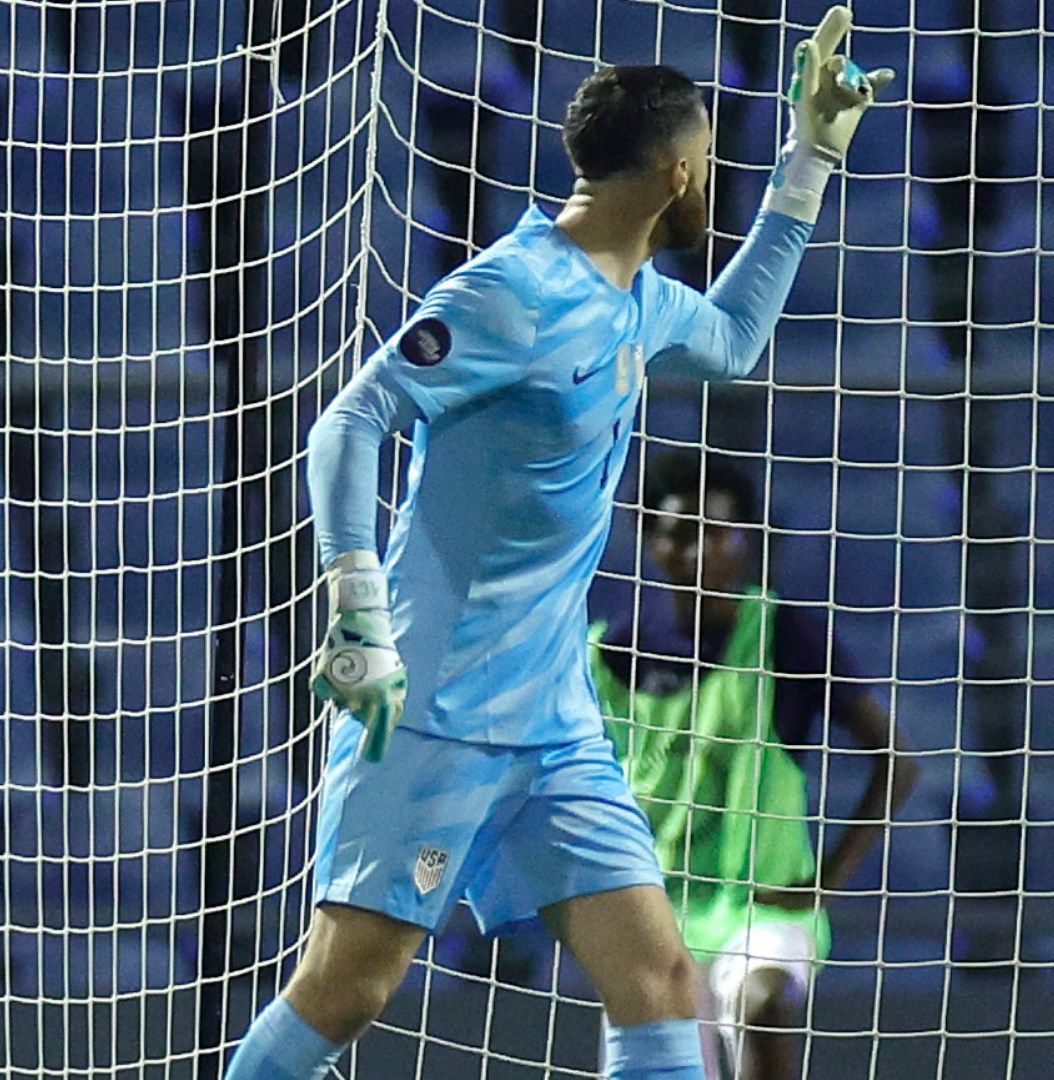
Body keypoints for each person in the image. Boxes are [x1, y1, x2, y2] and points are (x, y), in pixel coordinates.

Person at [223, 10, 894, 1079]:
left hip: (556, 720)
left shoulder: (633, 297)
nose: (715, 181)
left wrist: (813, 157)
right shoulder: (511, 291)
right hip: (435, 703)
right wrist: (355, 608)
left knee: (662, 980)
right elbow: (348, 422)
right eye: (715, 163)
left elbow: (731, 340)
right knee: (352, 987)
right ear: (679, 172)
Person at [589, 450, 920, 1079]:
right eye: (680, 534)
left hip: (764, 907)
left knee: (765, 999)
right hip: (656, 910)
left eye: (717, 532)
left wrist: (829, 879)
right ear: (650, 542)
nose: (698, 552)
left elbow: (898, 760)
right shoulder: (613, 652)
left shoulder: (785, 636)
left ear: (746, 541)